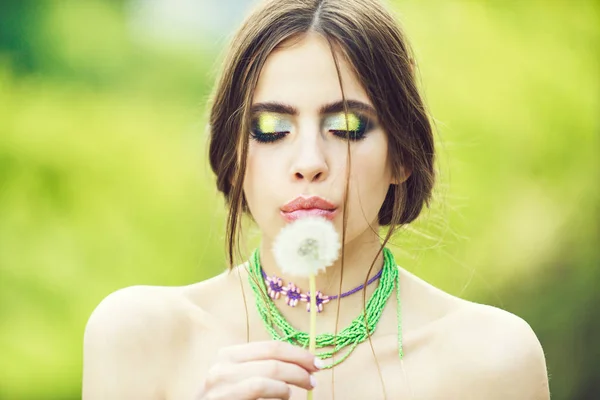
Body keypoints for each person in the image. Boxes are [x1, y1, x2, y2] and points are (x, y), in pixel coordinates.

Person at [82, 0, 551, 399]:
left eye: (346, 128)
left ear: (402, 155)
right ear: (234, 156)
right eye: (271, 130)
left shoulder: (493, 358)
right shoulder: (139, 335)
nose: (309, 161)